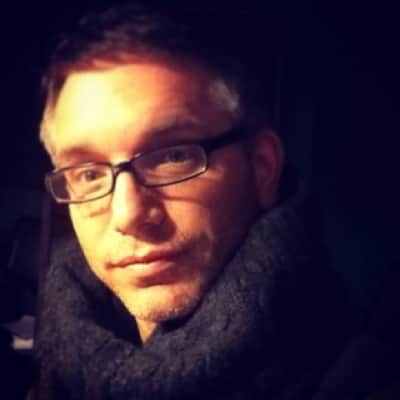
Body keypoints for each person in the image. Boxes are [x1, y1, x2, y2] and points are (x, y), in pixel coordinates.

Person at [34, 3, 356, 399]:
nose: (128, 214)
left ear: (262, 168)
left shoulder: (359, 375)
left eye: (173, 156)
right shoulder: (58, 362)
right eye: (88, 174)